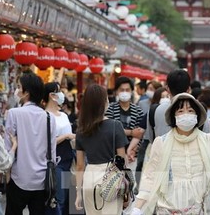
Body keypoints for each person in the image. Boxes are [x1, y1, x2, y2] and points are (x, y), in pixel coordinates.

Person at [131, 93, 210, 215]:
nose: (186, 115)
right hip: (166, 210)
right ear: (173, 116)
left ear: (197, 115)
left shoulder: (208, 140)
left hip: (198, 209)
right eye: (180, 111)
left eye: (190, 110)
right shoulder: (161, 142)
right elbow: (150, 176)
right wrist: (137, 207)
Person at [5, 72, 57, 215]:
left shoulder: (13, 114)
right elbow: (52, 152)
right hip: (41, 179)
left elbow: (8, 146)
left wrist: (7, 173)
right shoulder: (49, 118)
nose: (17, 90)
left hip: (18, 176)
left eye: (19, 87)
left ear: (26, 93)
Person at [74, 84, 128, 215]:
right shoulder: (116, 126)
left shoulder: (81, 129)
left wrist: (78, 193)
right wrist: (126, 190)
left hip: (89, 178)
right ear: (104, 103)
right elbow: (122, 161)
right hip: (111, 178)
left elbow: (80, 165)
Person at [44, 82, 76, 215]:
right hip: (56, 161)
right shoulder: (44, 115)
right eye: (59, 91)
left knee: (70, 200)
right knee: (59, 200)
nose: (62, 94)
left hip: (70, 160)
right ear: (51, 95)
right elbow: (46, 142)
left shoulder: (63, 115)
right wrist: (66, 136)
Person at [105, 76, 145, 170]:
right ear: (116, 92)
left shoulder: (138, 110)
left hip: (132, 156)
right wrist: (131, 132)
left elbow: (140, 133)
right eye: (122, 90)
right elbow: (110, 130)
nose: (125, 92)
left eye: (127, 90)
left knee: (131, 182)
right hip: (113, 155)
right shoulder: (110, 109)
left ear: (131, 91)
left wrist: (133, 150)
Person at [136, 87, 170, 184]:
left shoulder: (173, 112)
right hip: (153, 147)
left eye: (167, 96)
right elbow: (141, 130)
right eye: (162, 96)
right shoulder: (152, 111)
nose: (165, 99)